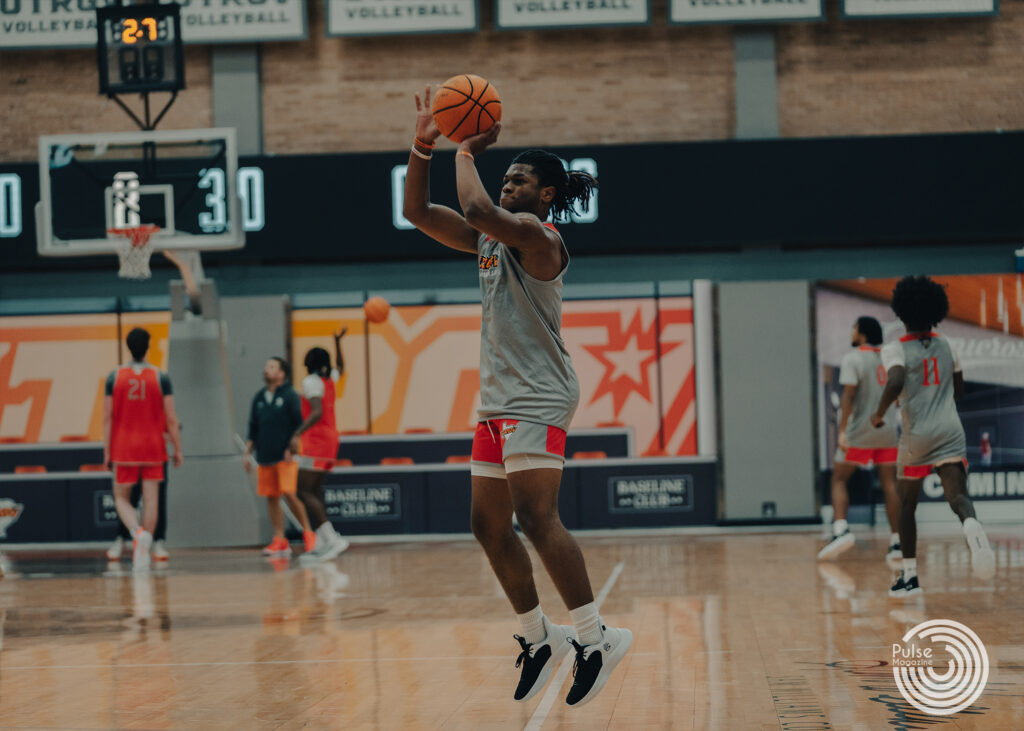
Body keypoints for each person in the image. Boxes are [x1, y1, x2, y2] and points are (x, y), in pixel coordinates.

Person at [402, 85, 631, 707]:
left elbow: (476, 209)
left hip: (538, 395)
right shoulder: (490, 238)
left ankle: (595, 636)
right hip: (499, 396)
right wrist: (425, 144)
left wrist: (466, 148)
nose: (509, 185)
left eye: (521, 179)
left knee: (535, 518)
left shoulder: (539, 237)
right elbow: (420, 214)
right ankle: (539, 636)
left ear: (546, 194)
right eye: (507, 177)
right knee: (486, 524)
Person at [872, 276, 996, 598]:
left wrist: (880, 410)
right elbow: (959, 390)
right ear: (936, 311)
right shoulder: (947, 343)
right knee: (958, 497)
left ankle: (910, 577)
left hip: (917, 436)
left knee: (907, 504)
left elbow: (896, 379)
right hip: (950, 430)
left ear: (901, 312)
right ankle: (971, 526)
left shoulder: (894, 348)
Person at [819, 316, 902, 563]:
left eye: (854, 328)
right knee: (890, 486)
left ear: (862, 334)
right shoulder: (889, 359)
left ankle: (841, 529)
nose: (852, 332)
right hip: (886, 431)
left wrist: (842, 431)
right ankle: (897, 542)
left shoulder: (852, 358)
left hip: (860, 432)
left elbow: (848, 397)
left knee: (839, 478)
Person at [103, 328, 183, 572]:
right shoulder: (160, 376)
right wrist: (178, 448)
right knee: (151, 500)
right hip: (153, 446)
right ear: (148, 346)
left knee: (121, 499)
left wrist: (106, 451)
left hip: (124, 446)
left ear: (128, 346)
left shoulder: (114, 376)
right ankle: (144, 547)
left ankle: (137, 534)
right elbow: (171, 418)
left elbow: (108, 418)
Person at [244, 357, 317, 557]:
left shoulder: (290, 395)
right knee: (271, 497)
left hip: (285, 455)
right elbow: (253, 427)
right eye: (266, 366)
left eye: (271, 367)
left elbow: (298, 424)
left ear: (281, 373)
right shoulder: (259, 398)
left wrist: (292, 447)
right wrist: (247, 451)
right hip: (265, 456)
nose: (266, 369)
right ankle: (280, 540)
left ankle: (309, 534)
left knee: (290, 494)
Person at [295, 329, 350, 563]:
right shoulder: (328, 381)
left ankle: (331, 538)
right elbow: (341, 368)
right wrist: (337, 344)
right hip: (330, 440)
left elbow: (316, 412)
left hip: (316, 442)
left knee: (303, 490)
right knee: (314, 490)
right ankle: (323, 541)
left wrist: (295, 433)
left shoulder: (311, 382)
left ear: (308, 362)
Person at [107, 474, 169, 562]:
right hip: (151, 461)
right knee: (150, 498)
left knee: (123, 498)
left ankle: (141, 535)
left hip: (131, 461)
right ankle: (141, 543)